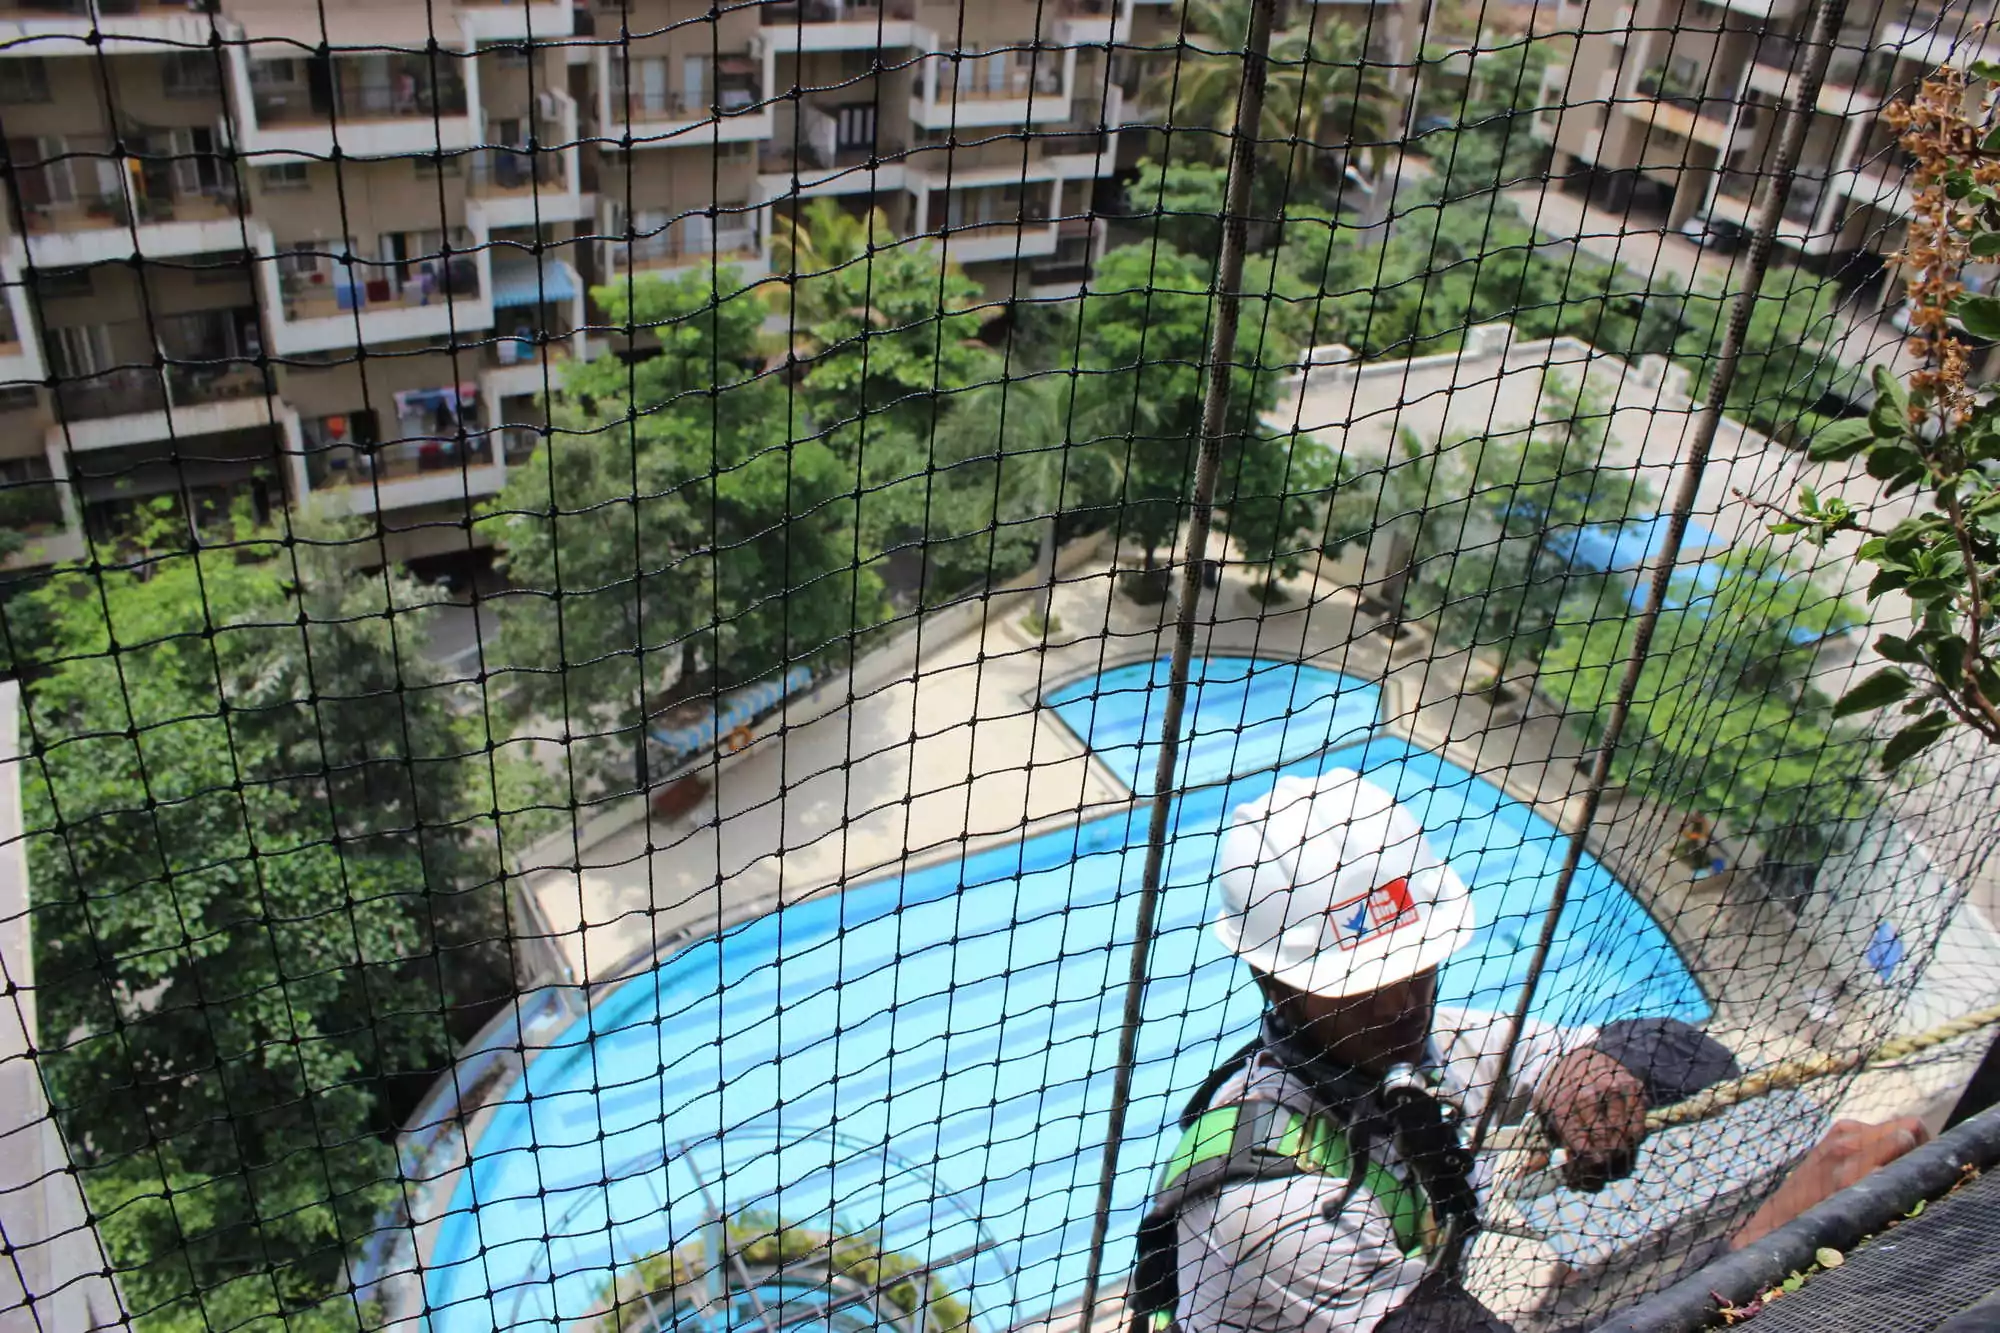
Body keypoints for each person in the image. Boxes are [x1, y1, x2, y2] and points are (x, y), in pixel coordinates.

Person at [1128, 769, 1930, 1333]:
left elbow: (1691, 1054)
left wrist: (1594, 1067)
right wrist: (1778, 1231)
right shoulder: (1264, 1208)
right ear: (1276, 985)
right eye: (1362, 982)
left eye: (1416, 965)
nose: (1406, 1001)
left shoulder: (1409, 1051)